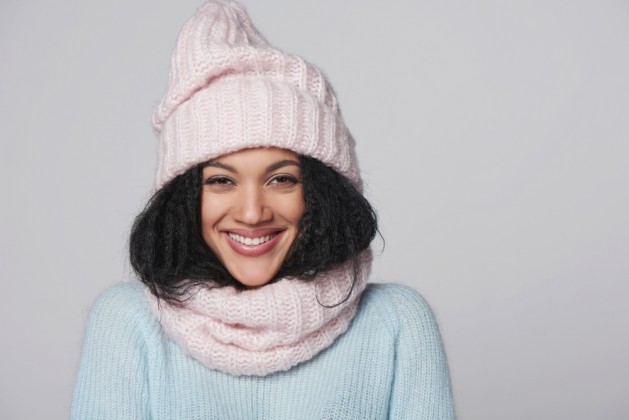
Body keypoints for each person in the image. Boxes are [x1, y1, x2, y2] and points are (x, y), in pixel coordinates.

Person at [71, 1, 456, 418]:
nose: (252, 213)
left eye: (282, 179)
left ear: (321, 193)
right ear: (184, 200)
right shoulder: (127, 323)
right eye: (221, 181)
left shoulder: (395, 324)